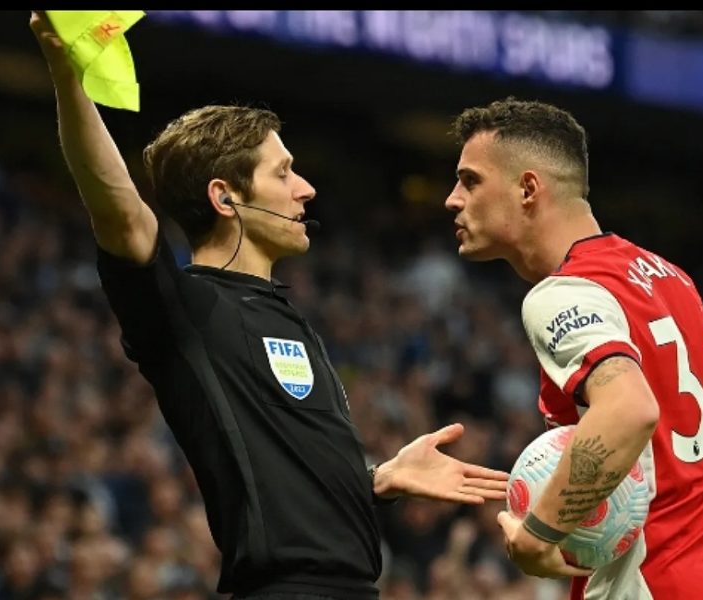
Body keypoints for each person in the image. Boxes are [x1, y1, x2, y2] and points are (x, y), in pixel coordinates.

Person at [29, 12, 510, 600]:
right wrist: (67, 76)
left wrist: (377, 478)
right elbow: (117, 206)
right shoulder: (185, 309)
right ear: (225, 197)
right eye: (283, 172)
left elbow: (281, 473)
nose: (305, 188)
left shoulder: (285, 313)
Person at [445, 98, 703, 599]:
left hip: (655, 586)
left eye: (470, 181)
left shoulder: (562, 294)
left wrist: (539, 533)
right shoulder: (670, 277)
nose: (452, 200)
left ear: (528, 189)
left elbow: (628, 409)